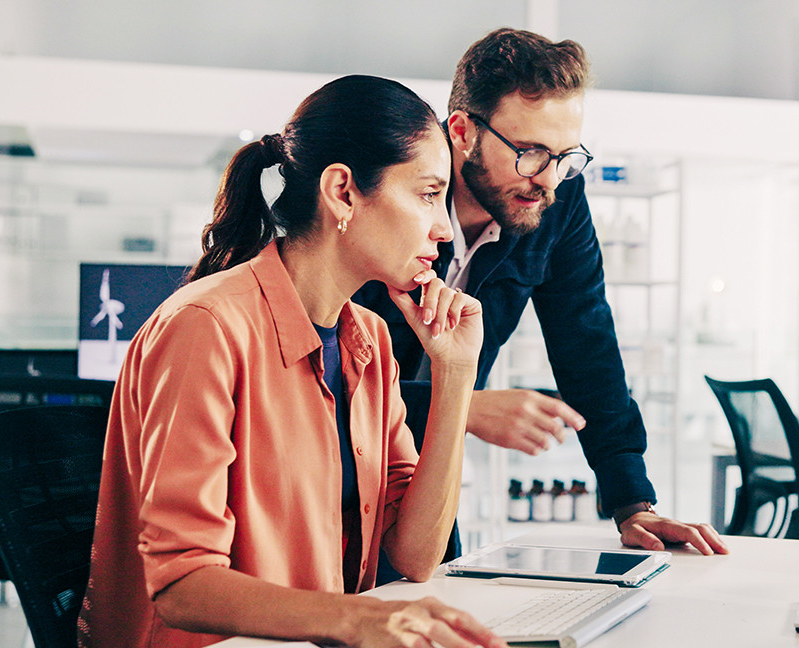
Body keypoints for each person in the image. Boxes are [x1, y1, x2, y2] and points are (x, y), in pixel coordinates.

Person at [78, 75, 506, 648]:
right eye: (428, 195)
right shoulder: (204, 328)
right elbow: (181, 583)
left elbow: (415, 555)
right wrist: (356, 620)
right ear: (343, 192)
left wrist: (455, 373)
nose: (441, 229)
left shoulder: (371, 342)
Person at [354, 28, 728, 561]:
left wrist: (632, 503)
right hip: (330, 468)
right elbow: (323, 376)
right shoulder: (389, 182)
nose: (548, 180)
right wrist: (465, 409)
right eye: (529, 153)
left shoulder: (557, 198)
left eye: (565, 156)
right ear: (461, 131)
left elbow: (588, 344)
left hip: (426, 474)